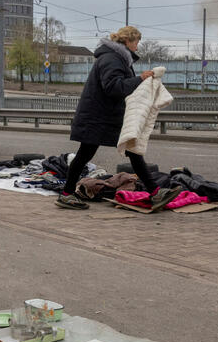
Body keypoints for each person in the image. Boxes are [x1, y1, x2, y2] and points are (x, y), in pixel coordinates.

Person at [56, 26, 159, 210]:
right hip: (98, 117)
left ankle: (155, 191)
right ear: (127, 41)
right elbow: (113, 87)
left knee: (129, 151)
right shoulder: (112, 59)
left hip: (104, 116)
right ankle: (66, 194)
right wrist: (140, 79)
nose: (138, 46)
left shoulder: (117, 58)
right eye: (136, 42)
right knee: (86, 154)